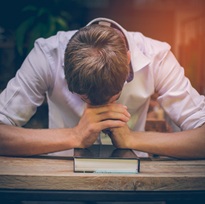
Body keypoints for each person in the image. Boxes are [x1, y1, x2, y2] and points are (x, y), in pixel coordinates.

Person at [0, 17, 205, 158]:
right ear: (65, 65)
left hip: (134, 186)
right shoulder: (47, 56)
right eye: (84, 98)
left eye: (114, 96)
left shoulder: (157, 57)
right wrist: (75, 135)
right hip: (62, 185)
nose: (102, 108)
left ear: (128, 61)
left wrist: (132, 138)